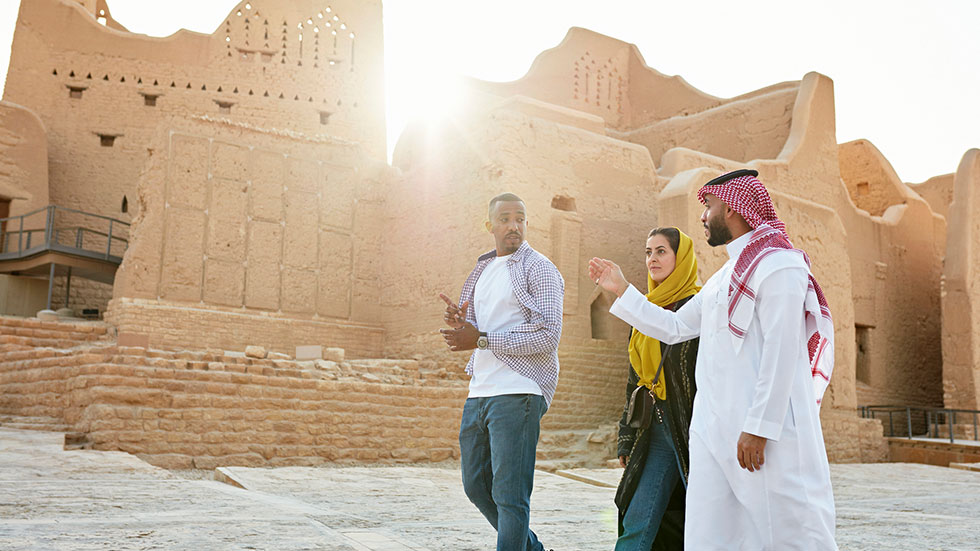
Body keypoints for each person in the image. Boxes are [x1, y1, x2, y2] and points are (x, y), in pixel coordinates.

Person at [589, 169, 838, 550]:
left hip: (762, 435)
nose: (704, 216)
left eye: (710, 206)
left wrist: (759, 427)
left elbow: (782, 349)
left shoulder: (780, 265)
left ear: (736, 209)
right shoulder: (724, 277)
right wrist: (623, 290)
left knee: (786, 530)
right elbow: (673, 327)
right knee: (711, 534)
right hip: (712, 432)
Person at [439, 192, 563, 551]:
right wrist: (463, 323)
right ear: (489, 225)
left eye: (520, 218)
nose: (514, 225)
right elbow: (479, 328)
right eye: (506, 218)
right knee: (476, 485)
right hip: (480, 390)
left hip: (519, 389)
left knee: (510, 495)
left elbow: (548, 333)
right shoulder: (481, 270)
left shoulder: (539, 267)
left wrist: (480, 339)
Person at [614, 227, 701, 551]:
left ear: (681, 257)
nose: (653, 259)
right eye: (649, 252)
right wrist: (626, 433)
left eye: (661, 251)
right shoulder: (642, 308)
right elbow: (634, 378)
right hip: (657, 432)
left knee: (709, 524)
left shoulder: (699, 306)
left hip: (699, 433)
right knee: (638, 519)